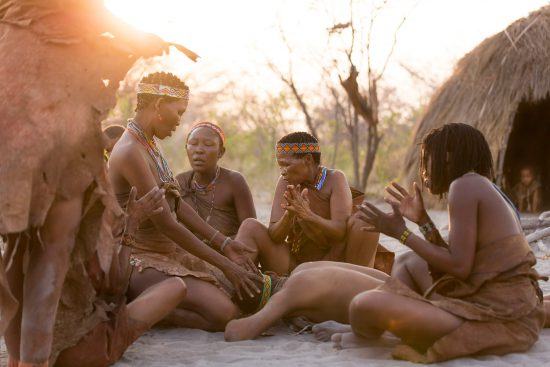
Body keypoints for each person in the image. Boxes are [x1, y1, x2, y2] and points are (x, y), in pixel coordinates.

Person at [333, 123, 544, 363]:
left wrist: (402, 233)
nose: (423, 172)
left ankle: (383, 331)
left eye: (426, 160)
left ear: (446, 157)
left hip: (500, 319)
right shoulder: (476, 185)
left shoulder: (464, 186)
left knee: (363, 305)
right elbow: (456, 258)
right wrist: (422, 221)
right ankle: (385, 330)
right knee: (409, 262)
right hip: (497, 304)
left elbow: (459, 267)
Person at [108, 71, 262, 332]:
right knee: (225, 313)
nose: (180, 121)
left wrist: (225, 245)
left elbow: (178, 205)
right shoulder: (130, 152)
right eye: (178, 112)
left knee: (239, 295)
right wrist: (224, 263)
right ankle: (134, 306)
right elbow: (167, 223)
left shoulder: (149, 144)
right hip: (138, 259)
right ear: (158, 106)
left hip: (168, 252)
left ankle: (155, 301)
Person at [52, 186, 188, 367]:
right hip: (80, 350)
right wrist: (132, 224)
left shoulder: (38, 213)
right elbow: (117, 286)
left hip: (34, 348)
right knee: (176, 286)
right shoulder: (93, 217)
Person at [234, 131, 382, 276]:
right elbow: (274, 235)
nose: (283, 172)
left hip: (335, 265)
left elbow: (340, 231)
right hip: (297, 266)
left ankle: (356, 286)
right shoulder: (285, 182)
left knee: (365, 218)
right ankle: (242, 284)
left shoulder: (334, 179)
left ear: (308, 160)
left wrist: (308, 215)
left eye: (286, 165)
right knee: (250, 226)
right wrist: (289, 214)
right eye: (280, 166)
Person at [224, 261, 387, 342]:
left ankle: (348, 330)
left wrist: (235, 318)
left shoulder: (287, 294)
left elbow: (236, 334)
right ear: (271, 273)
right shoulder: (302, 268)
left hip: (386, 308)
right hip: (397, 285)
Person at [176, 122, 256, 239]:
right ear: (186, 148)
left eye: (208, 144)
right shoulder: (180, 182)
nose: (199, 150)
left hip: (231, 251)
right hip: (192, 253)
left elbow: (251, 231)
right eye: (193, 143)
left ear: (221, 152)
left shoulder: (234, 181)